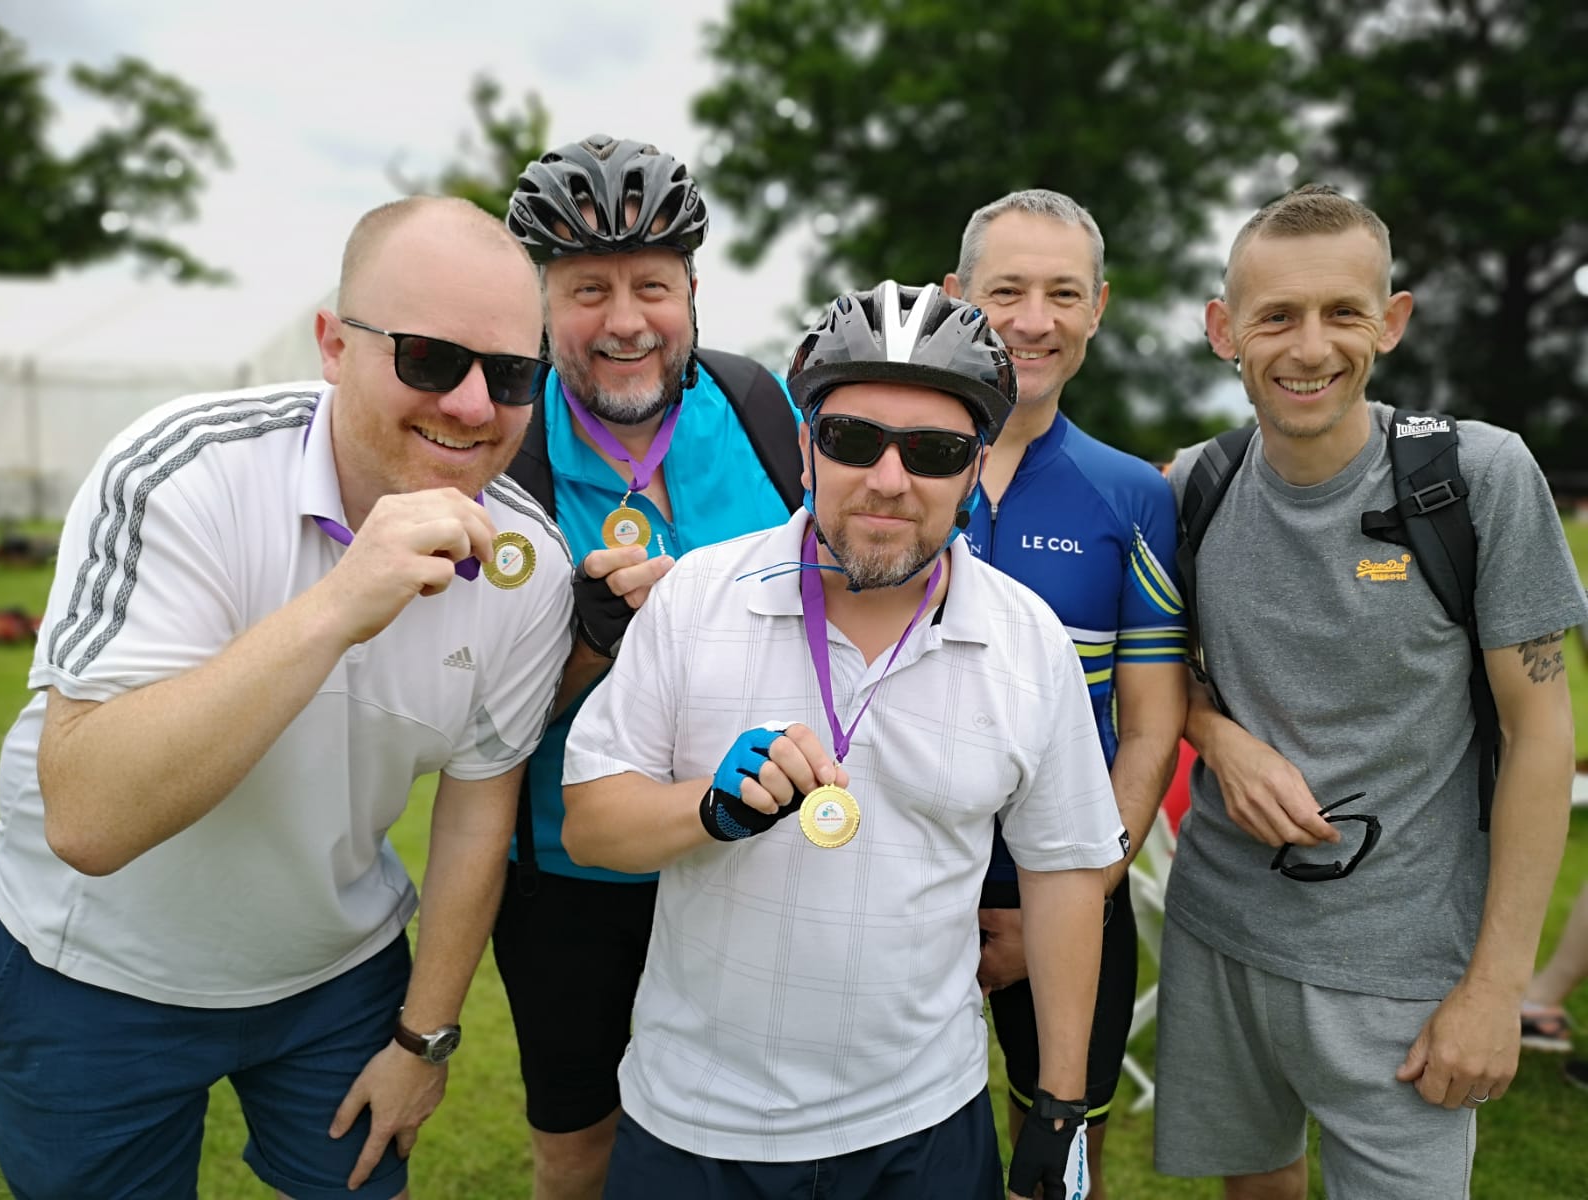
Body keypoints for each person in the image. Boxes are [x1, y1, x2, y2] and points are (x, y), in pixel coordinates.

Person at [0, 196, 574, 1200]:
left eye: (512, 374)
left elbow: (480, 803)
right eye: (431, 359)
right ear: (332, 345)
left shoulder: (530, 565)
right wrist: (341, 601)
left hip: (334, 979)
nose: (475, 407)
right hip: (89, 974)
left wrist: (425, 1040)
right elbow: (88, 816)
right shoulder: (183, 469)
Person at [560, 281, 1126, 1200]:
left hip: (923, 1123)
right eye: (853, 440)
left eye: (935, 451)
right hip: (695, 1121)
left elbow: (1065, 878)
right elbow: (589, 822)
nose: (890, 481)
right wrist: (706, 808)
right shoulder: (699, 596)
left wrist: (1060, 1106)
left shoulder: (1029, 640)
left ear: (975, 467)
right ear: (805, 448)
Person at [1154, 183, 1588, 1199]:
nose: (1310, 347)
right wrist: (1218, 739)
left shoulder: (1475, 478)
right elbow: (1159, 674)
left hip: (1406, 967)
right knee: (1255, 1183)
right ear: (1224, 331)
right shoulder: (1193, 489)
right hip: (1219, 930)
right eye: (1276, 316)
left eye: (1342, 312)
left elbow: (1539, 734)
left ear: (1389, 322)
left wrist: (1496, 990)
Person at [490, 133, 800, 1200]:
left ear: (692, 290)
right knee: (579, 1150)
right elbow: (456, 726)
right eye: (587, 290)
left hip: (748, 856)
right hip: (567, 876)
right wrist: (584, 648)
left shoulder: (763, 409)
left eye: (650, 286)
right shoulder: (500, 444)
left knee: (756, 1136)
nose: (624, 321)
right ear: (541, 298)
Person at [941, 189, 1188, 1197]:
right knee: (902, 1144)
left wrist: (1071, 894)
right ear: (957, 297)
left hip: (1073, 888)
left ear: (1098, 307)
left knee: (1056, 1160)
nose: (1033, 320)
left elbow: (1151, 723)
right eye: (1006, 291)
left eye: (1061, 294)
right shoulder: (880, 465)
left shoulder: (1133, 495)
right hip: (904, 888)